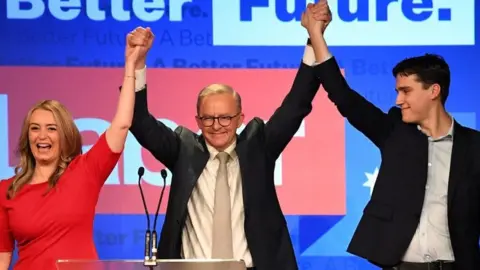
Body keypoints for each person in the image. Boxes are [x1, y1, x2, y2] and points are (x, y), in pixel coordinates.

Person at [123, 3, 332, 270]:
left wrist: (314, 37)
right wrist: (136, 64)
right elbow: (139, 121)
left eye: (225, 118)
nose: (217, 125)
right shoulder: (182, 150)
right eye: (208, 118)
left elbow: (296, 104)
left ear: (240, 118)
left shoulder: (259, 147)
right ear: (197, 120)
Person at [306, 3, 480, 270]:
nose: (398, 100)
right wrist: (316, 35)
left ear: (433, 91)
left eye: (406, 91)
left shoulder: (474, 146)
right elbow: (344, 97)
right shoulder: (394, 132)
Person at [0, 33, 143, 269]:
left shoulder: (85, 171)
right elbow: (3, 256)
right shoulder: (7, 190)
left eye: (51, 129)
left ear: (65, 135)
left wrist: (130, 65)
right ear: (28, 136)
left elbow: (122, 124)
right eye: (35, 129)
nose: (42, 136)